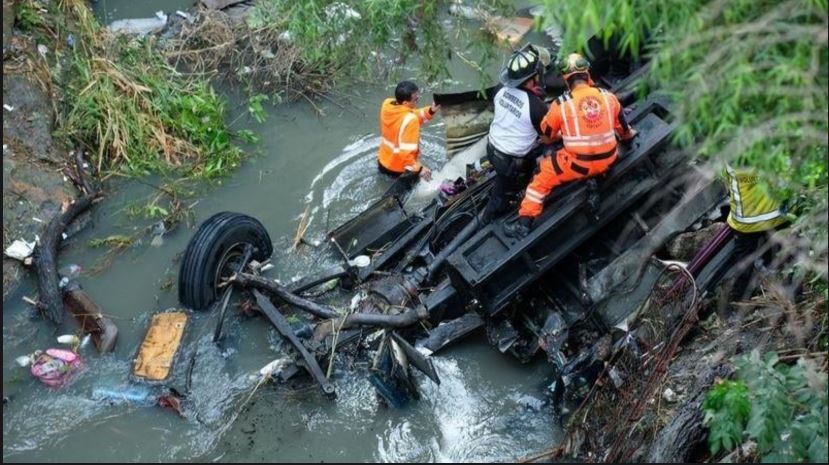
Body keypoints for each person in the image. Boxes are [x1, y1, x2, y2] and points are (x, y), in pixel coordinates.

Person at [505, 53, 637, 238]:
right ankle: (595, 179)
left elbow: (548, 136)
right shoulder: (609, 97)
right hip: (609, 159)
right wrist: (629, 138)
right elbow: (625, 130)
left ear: (566, 80)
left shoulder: (561, 104)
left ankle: (524, 224)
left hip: (578, 165)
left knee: (541, 179)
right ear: (587, 74)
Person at [481, 48, 550, 223]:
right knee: (502, 192)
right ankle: (489, 217)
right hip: (510, 162)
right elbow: (547, 138)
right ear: (531, 80)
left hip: (491, 148)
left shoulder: (499, 89)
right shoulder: (537, 107)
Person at [721, 164, 789, 302]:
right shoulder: (772, 149)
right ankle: (794, 293)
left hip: (746, 223)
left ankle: (739, 301)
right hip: (777, 217)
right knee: (787, 255)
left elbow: (727, 187)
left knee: (744, 263)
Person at [377, 81, 440, 188]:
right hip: (400, 170)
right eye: (416, 99)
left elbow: (409, 113)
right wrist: (420, 169)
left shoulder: (387, 105)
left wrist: (430, 111)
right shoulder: (411, 120)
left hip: (382, 162)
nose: (418, 99)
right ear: (406, 103)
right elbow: (406, 154)